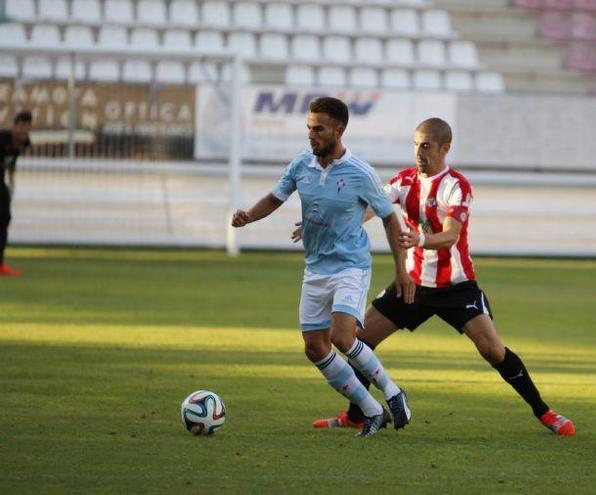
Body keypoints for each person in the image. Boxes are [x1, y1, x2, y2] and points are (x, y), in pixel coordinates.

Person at [304, 118, 575, 436]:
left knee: (493, 351)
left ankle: (545, 412)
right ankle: (358, 414)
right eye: (416, 144)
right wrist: (336, 224)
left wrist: (417, 239)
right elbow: (370, 208)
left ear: (445, 148)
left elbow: (451, 236)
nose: (419, 151)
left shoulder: (456, 186)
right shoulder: (404, 181)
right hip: (413, 285)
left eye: (426, 145)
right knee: (359, 341)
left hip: (456, 286)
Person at [231, 97, 415, 437]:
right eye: (309, 128)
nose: (311, 135)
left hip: (350, 266)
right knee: (315, 348)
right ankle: (372, 411)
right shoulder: (302, 164)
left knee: (341, 337)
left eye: (318, 129)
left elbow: (390, 217)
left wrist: (401, 270)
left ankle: (392, 392)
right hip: (315, 268)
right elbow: (276, 198)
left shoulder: (360, 172)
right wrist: (248, 216)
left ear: (338, 130)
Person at [0, 111, 32, 277]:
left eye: (27, 128)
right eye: (21, 127)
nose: (23, 131)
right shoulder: (2, 139)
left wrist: (11, 181)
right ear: (15, 126)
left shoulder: (24, 143)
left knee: (4, 218)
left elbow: (13, 161)